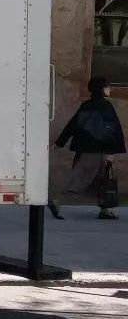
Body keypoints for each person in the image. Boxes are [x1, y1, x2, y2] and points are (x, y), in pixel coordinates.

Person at [54, 77, 125, 220]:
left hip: (86, 148)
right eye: (107, 86)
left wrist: (60, 142)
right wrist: (111, 151)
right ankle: (57, 201)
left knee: (102, 180)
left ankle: (105, 210)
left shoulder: (86, 105)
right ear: (101, 89)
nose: (109, 89)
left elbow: (73, 124)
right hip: (96, 151)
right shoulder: (106, 106)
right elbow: (112, 130)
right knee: (80, 179)